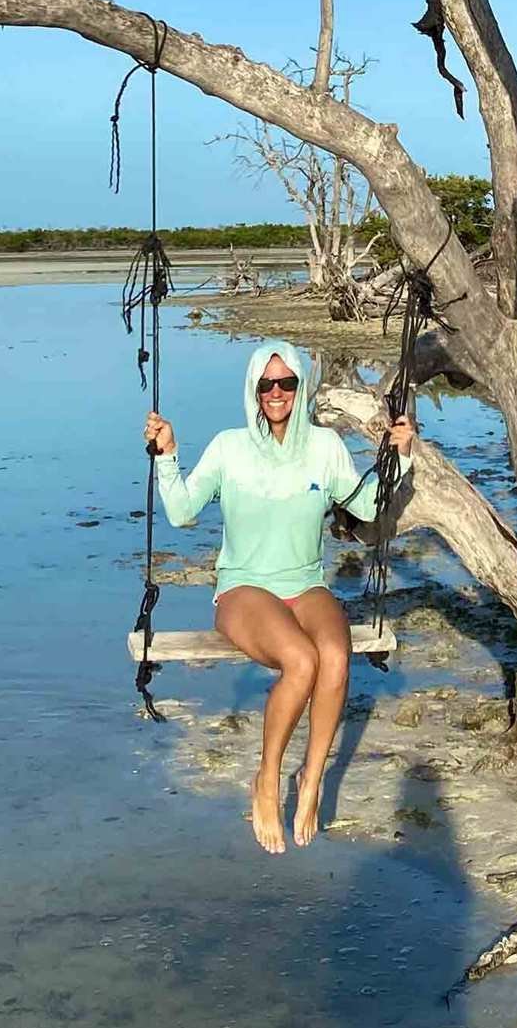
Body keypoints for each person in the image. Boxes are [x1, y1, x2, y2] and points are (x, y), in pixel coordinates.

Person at [144, 337, 414, 853]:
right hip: (244, 588)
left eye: (286, 383)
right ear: (253, 389)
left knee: (334, 657)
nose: (276, 392)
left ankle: (309, 781)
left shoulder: (325, 447)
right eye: (266, 384)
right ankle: (267, 779)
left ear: (300, 386)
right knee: (301, 660)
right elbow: (181, 512)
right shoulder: (229, 447)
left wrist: (397, 460)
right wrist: (168, 455)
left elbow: (364, 509)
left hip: (306, 584)